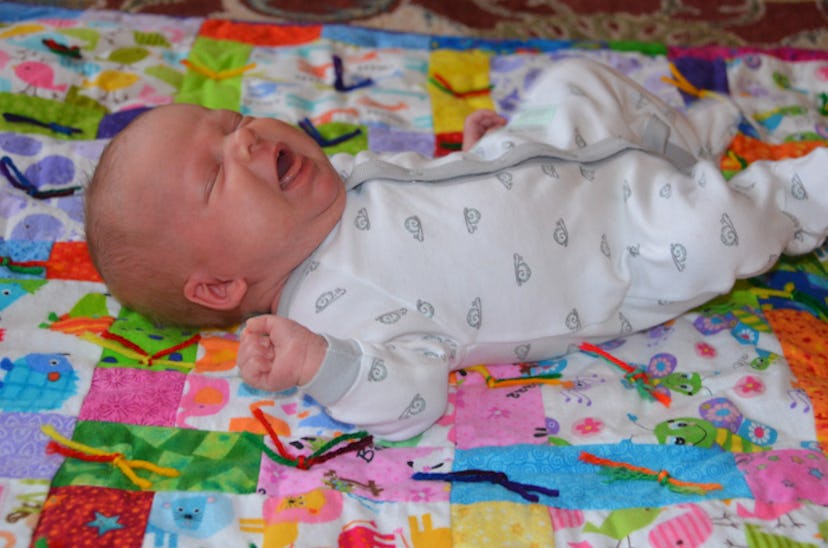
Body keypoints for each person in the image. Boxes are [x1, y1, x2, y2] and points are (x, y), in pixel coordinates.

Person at [84, 58, 828, 440]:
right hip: (622, 254)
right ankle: (803, 193)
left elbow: (432, 202)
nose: (244, 137)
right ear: (219, 288)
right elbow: (413, 398)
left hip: (552, 158)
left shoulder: (332, 186)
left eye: (230, 119)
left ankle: (681, 142)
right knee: (710, 231)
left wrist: (481, 159)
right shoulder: (331, 309)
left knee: (575, 80)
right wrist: (321, 363)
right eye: (215, 172)